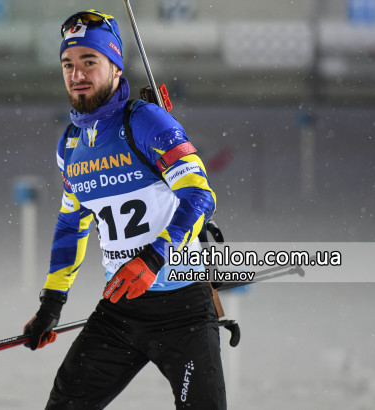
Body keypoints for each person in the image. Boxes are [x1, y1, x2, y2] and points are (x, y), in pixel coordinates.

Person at [23, 9, 226, 410]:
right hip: (120, 313)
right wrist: (51, 303)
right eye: (68, 64)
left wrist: (152, 258)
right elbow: (71, 224)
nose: (77, 74)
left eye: (89, 61)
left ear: (116, 67)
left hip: (183, 309)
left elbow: (199, 196)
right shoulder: (70, 144)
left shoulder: (145, 121)